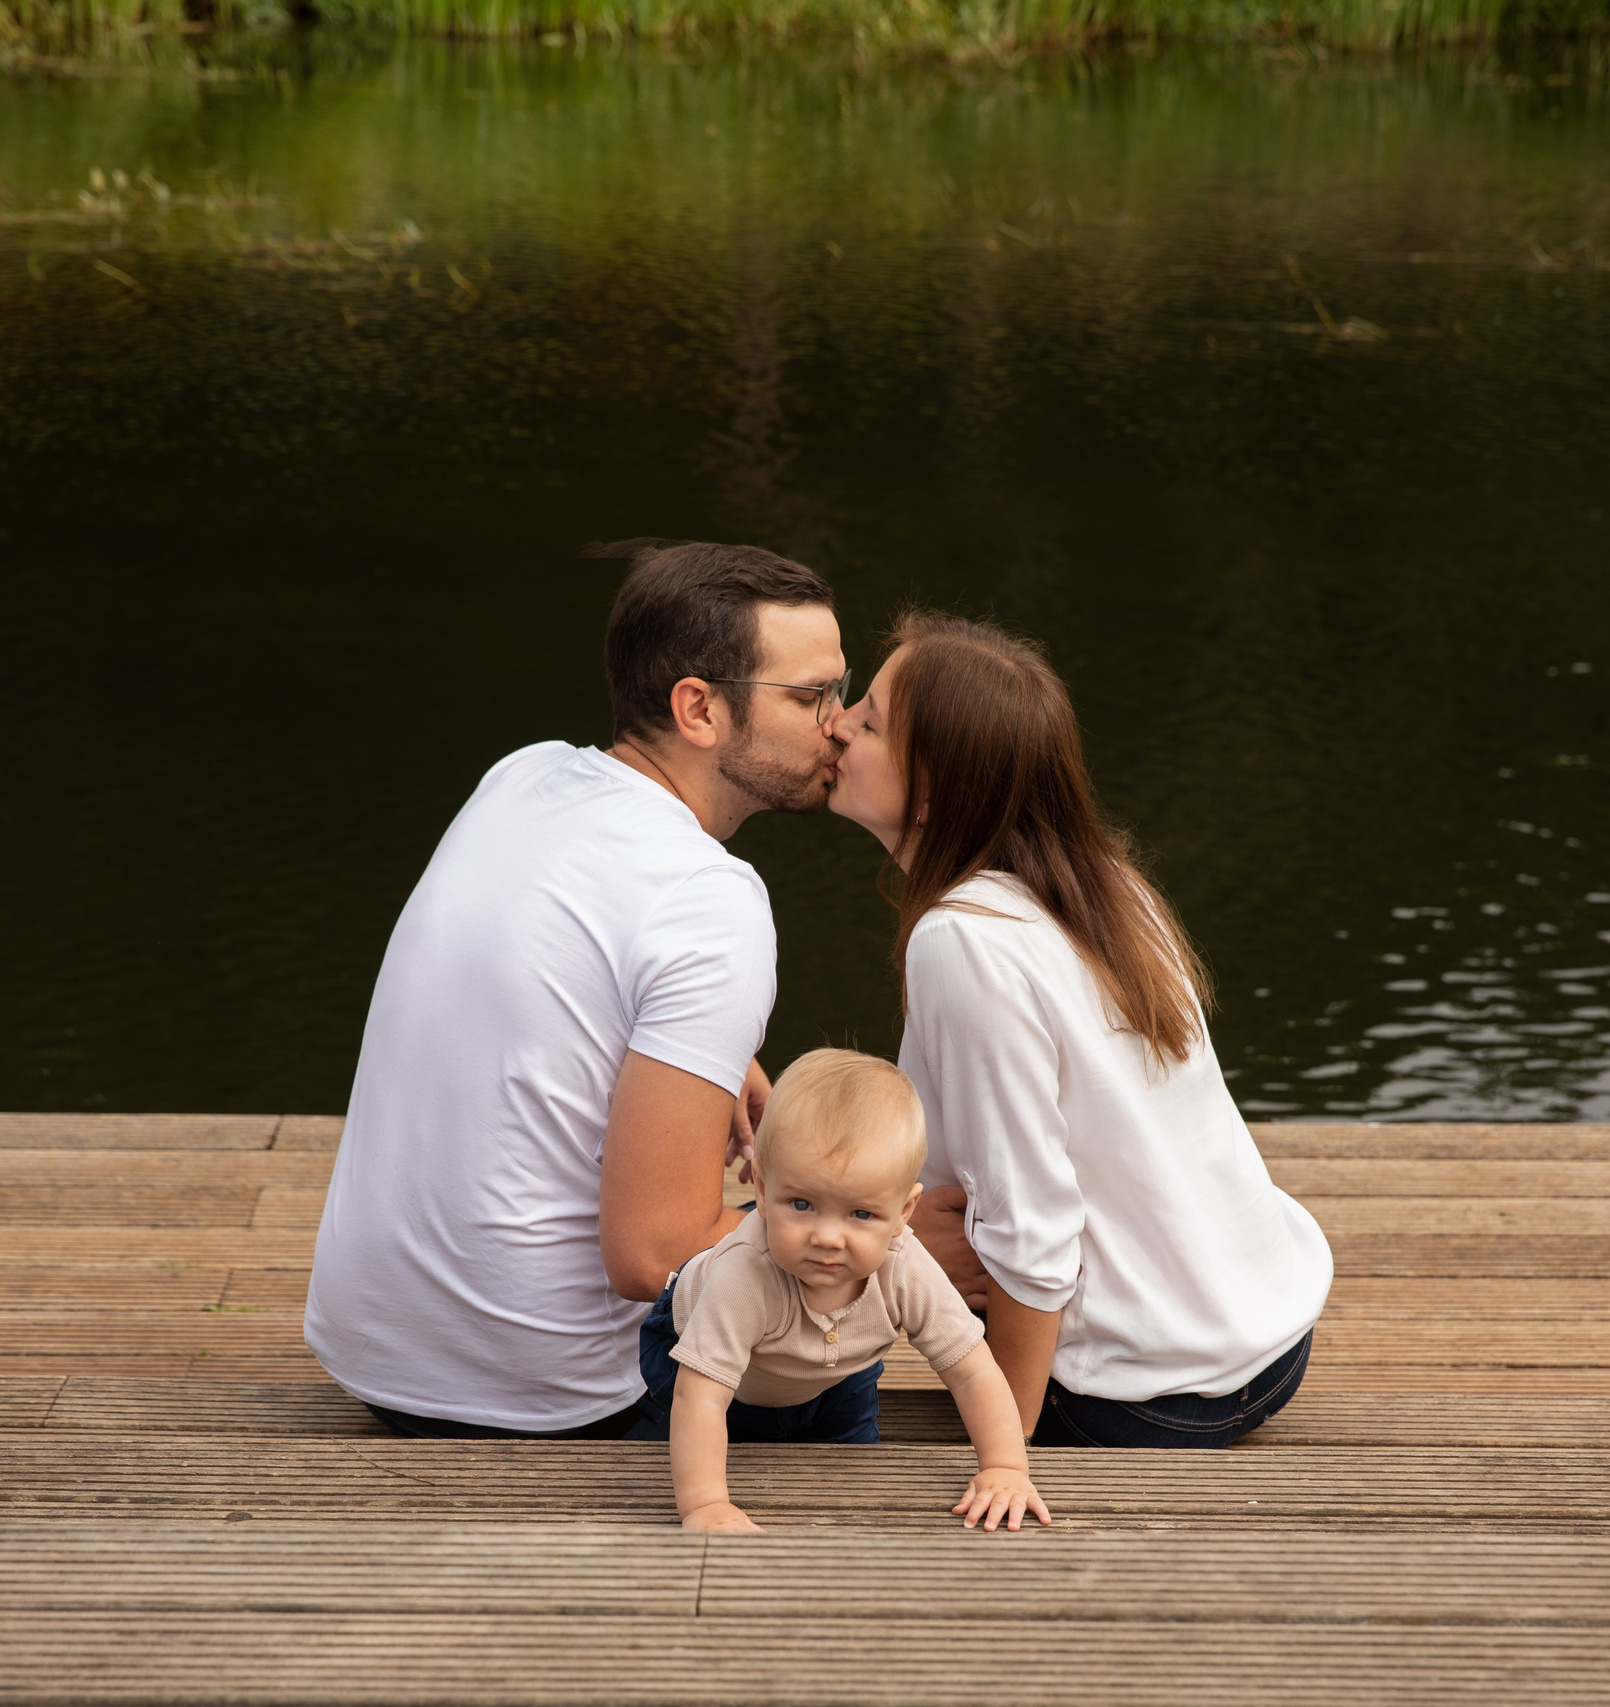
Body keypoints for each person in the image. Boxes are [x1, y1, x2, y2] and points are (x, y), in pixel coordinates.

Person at [303, 540, 846, 1438]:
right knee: (848, 1346)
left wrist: (717, 1049)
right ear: (700, 709)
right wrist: (882, 1243)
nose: (840, 722)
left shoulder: (523, 775)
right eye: (811, 695)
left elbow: (552, 972)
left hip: (372, 1355)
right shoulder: (710, 897)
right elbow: (652, 1253)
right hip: (549, 1399)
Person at [825, 613, 1333, 1449]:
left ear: (933, 792)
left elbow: (1032, 1230)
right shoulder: (1103, 883)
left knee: (786, 1245)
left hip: (1143, 1395)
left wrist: (1006, 1445)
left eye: (869, 721)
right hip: (1274, 1344)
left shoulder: (964, 939)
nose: (839, 724)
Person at [632, 1047, 1050, 1533]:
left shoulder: (904, 1267)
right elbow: (701, 1398)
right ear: (762, 1191)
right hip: (705, 1359)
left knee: (853, 1471)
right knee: (680, 1448)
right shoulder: (743, 1275)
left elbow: (973, 1370)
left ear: (904, 1212)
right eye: (802, 1204)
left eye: (861, 1214)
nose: (828, 1238)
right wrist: (704, 1505)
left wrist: (1005, 1467)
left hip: (837, 1367)